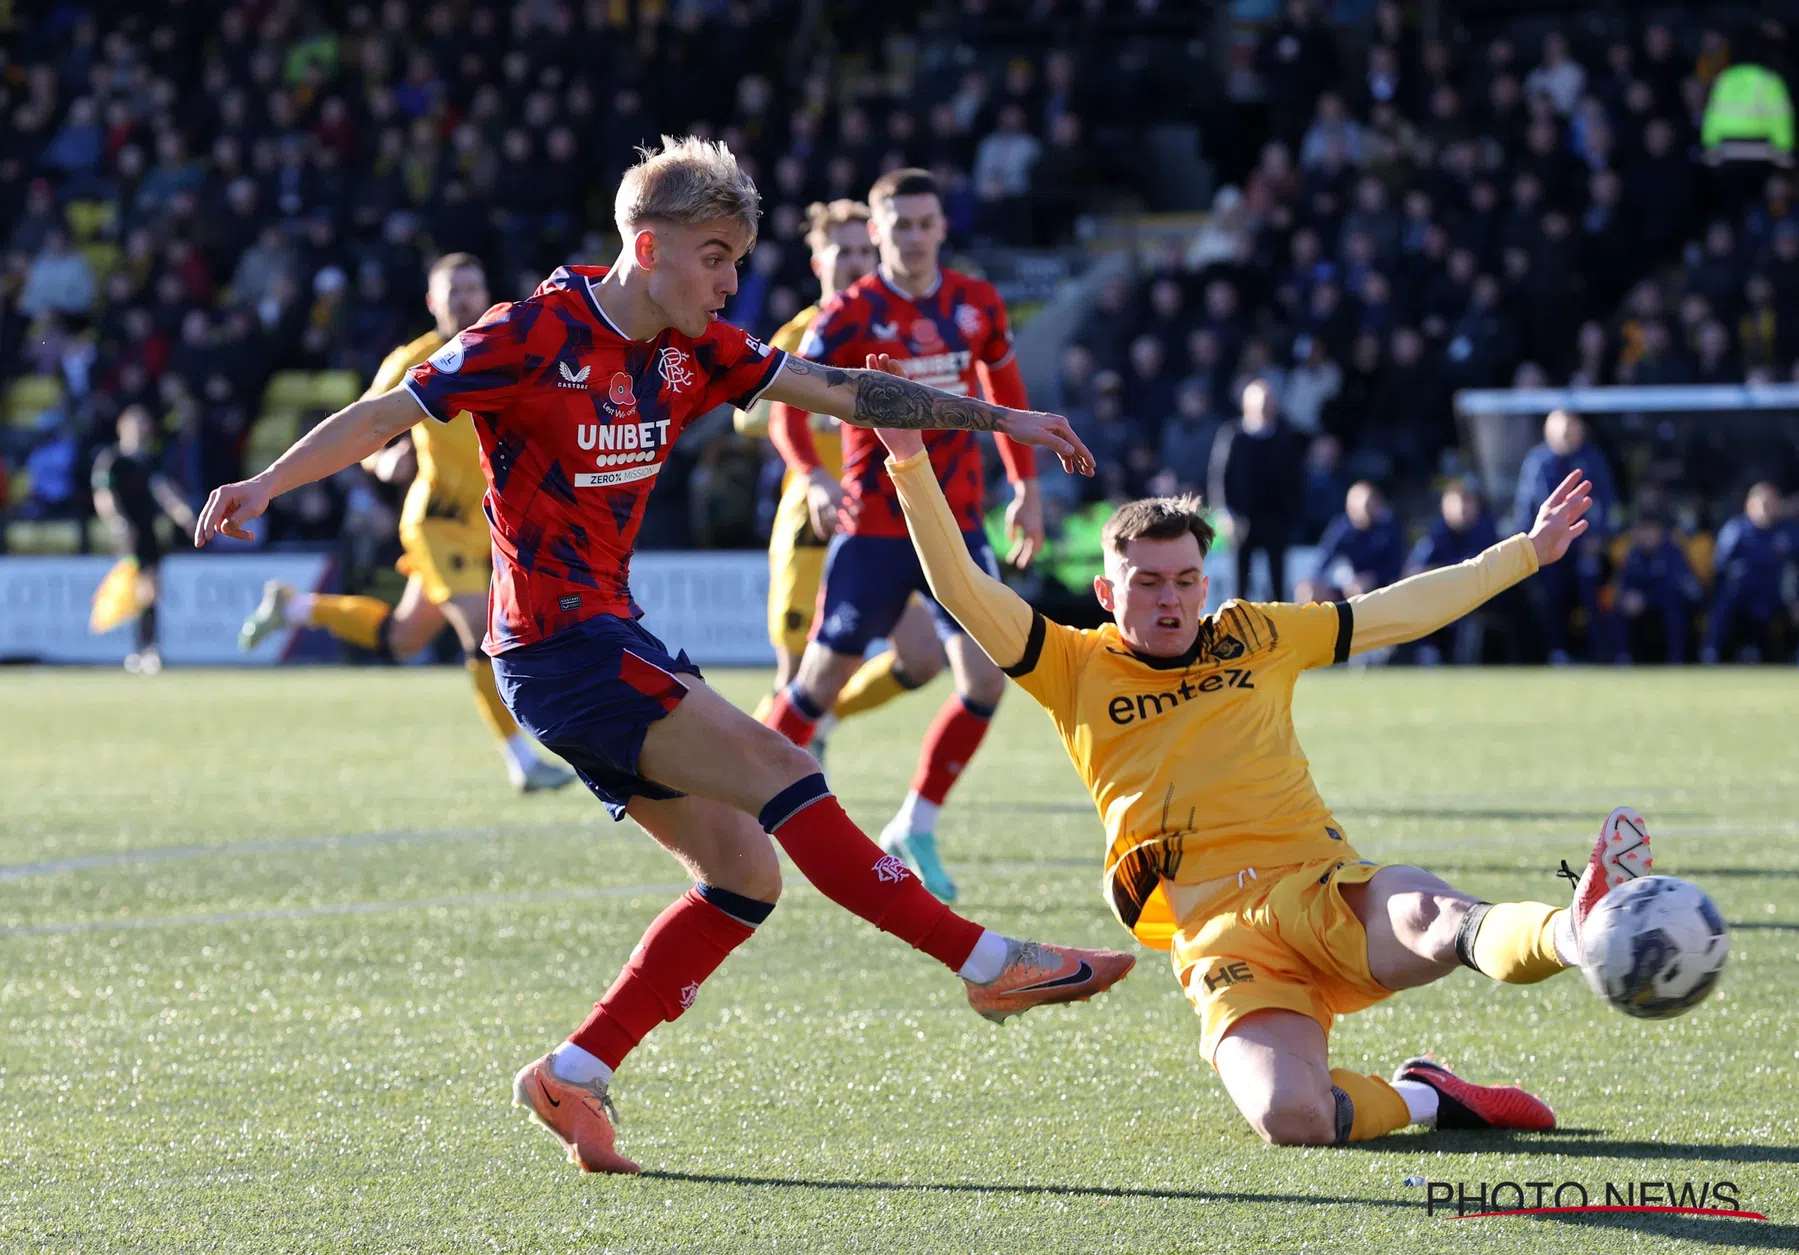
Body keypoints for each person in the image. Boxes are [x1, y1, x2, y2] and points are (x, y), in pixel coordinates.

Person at [193, 136, 1133, 1176]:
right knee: (787, 770)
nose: (731, 281)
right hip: (561, 650)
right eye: (716, 255)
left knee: (743, 873)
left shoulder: (698, 350)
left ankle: (574, 1071)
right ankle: (988, 960)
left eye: (735, 259)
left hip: (607, 639)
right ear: (648, 246)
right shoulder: (533, 332)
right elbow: (386, 413)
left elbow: (844, 392)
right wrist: (264, 485)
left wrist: (1004, 417)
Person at [872, 380, 1649, 1145]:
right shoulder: (1070, 665)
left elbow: (1390, 613)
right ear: (1108, 592)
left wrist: (1522, 553)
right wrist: (909, 463)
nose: (1168, 600)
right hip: (1216, 933)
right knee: (1293, 1117)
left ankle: (1580, 932)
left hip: (1315, 883)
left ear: (1204, 584)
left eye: (1183, 582)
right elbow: (961, 588)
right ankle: (1426, 1096)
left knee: (1432, 915)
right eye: (1146, 584)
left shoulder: (1255, 631)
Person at [759, 168, 1047, 903]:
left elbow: (1005, 397)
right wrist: (815, 477)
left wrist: (1025, 487)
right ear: (877, 229)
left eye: (925, 223)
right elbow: (786, 405)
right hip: (876, 525)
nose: (912, 236)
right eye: (900, 223)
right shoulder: (850, 312)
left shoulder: (976, 304)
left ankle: (914, 823)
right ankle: (742, 800)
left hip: (955, 523)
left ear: (941, 228)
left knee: (986, 678)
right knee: (816, 682)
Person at [238, 253, 574, 792]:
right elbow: (366, 428)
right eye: (452, 290)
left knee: (402, 638)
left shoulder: (508, 348)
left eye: (472, 286)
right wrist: (381, 461)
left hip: (484, 526)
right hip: (435, 522)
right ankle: (522, 762)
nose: (464, 298)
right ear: (432, 301)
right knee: (485, 633)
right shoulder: (415, 358)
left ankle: (295, 606)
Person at [733, 200, 943, 749]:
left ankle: (814, 724)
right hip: (812, 517)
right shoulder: (800, 334)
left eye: (861, 250)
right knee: (797, 671)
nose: (854, 261)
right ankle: (775, 767)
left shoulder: (886, 327)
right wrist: (817, 420)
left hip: (877, 516)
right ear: (818, 261)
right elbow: (747, 415)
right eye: (841, 251)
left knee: (924, 658)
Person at [91, 406, 198, 674]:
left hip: (149, 531)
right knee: (138, 591)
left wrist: (183, 515)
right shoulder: (112, 459)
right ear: (122, 428)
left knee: (151, 592)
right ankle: (140, 648)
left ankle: (148, 648)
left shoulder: (149, 459)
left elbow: (163, 491)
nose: (139, 430)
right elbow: (104, 495)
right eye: (134, 425)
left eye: (143, 425)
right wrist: (118, 523)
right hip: (128, 533)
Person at [1513, 410, 1617, 663]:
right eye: (1564, 430)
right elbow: (1527, 506)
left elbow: (1606, 502)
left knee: (1591, 589)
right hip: (1549, 546)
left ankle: (1600, 651)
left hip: (1584, 543)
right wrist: (1530, 542)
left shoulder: (1592, 459)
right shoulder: (1538, 461)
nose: (1569, 435)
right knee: (1551, 594)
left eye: (1574, 429)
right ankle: (1557, 651)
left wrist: (1600, 537)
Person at [1208, 378, 1305, 600]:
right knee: (1239, 583)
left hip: (1275, 520)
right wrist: (1224, 512)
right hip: (1242, 519)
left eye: (1268, 400)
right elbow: (1220, 476)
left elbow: (1295, 480)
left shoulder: (1285, 436)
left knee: (1277, 581)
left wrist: (1291, 516)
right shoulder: (1233, 435)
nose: (1263, 405)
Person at [1406, 481, 1504, 664]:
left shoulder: (1486, 530)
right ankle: (1425, 653)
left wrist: (1443, 571)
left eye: (1467, 502)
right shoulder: (1436, 533)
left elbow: (1478, 568)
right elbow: (1416, 570)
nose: (1462, 509)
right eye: (1455, 503)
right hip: (1440, 601)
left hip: (1478, 601)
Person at [1703, 482, 1793, 663]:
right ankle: (1710, 653)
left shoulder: (1787, 531)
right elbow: (1719, 566)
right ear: (1750, 505)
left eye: (1773, 503)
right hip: (1740, 596)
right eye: (1764, 504)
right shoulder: (1736, 529)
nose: (1769, 509)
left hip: (1773, 597)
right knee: (1724, 602)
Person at [1295, 481, 1405, 604]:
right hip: (1350, 585)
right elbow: (1323, 559)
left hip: (1381, 588)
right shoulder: (1341, 527)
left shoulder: (1388, 528)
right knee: (1309, 592)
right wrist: (1313, 582)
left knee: (1361, 592)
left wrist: (1373, 578)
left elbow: (1396, 566)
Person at [1614, 515, 1702, 664]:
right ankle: (1623, 657)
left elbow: (1678, 587)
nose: (1647, 535)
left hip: (1668, 603)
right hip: (1642, 607)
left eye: (1651, 530)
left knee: (1675, 611)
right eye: (1643, 531)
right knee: (1619, 609)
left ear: (1659, 532)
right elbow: (1624, 584)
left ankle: (1676, 660)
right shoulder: (1634, 553)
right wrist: (1627, 597)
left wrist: (1645, 599)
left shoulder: (1672, 551)